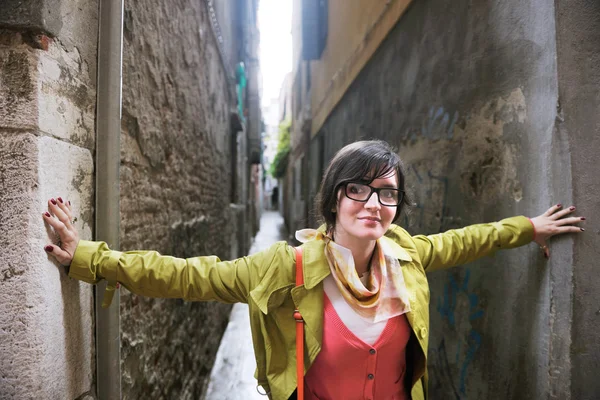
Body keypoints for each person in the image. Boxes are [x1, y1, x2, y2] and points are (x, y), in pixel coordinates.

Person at [43, 140, 584, 400]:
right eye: (358, 189)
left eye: (387, 193)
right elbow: (189, 274)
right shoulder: (289, 268)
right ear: (333, 199)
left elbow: (466, 241)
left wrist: (530, 227)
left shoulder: (405, 256)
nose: (374, 203)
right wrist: (89, 258)